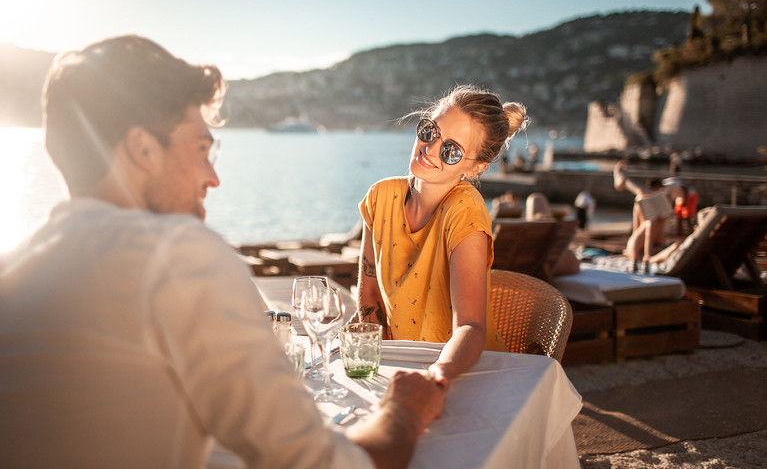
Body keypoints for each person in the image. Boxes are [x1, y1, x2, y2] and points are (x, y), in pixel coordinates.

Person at [0, 35, 446, 469]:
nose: (213, 178)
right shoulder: (175, 257)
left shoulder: (14, 272)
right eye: (201, 149)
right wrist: (404, 412)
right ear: (143, 149)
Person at [355, 85, 526, 390]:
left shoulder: (464, 212)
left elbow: (470, 327)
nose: (430, 148)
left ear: (475, 167)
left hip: (464, 374)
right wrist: (372, 366)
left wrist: (438, 377)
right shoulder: (380, 197)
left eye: (451, 150)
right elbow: (369, 298)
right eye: (430, 131)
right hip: (400, 369)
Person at [613, 161, 669, 269]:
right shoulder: (656, 208)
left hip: (635, 245)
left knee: (641, 196)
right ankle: (625, 181)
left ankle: (625, 181)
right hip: (642, 250)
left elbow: (636, 226)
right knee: (644, 196)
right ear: (659, 187)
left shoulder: (642, 202)